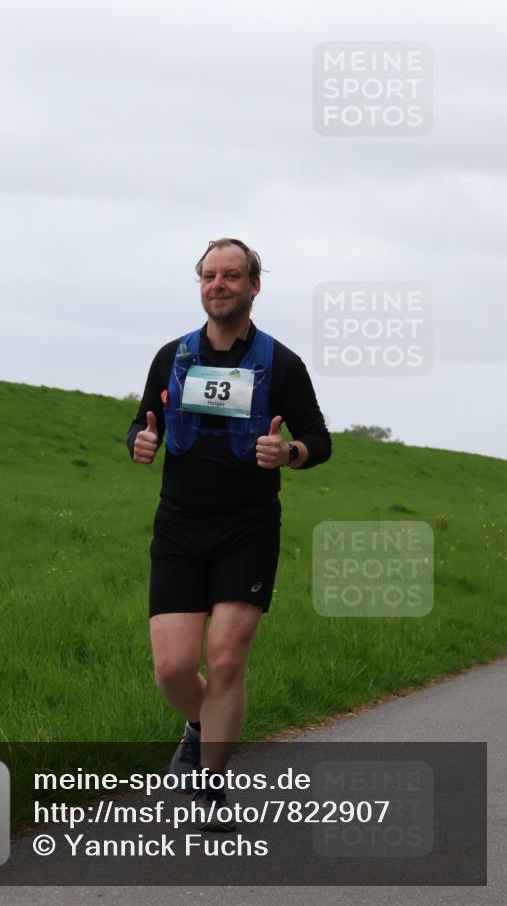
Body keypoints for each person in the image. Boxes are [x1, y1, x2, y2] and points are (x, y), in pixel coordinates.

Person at [125, 238, 331, 831]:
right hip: (179, 526)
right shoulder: (172, 356)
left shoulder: (282, 363)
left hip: (248, 528)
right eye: (209, 276)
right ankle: (199, 727)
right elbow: (141, 423)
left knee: (225, 658)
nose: (218, 284)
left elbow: (318, 440)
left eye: (232, 275)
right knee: (172, 668)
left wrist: (289, 452)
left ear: (254, 286)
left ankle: (211, 787)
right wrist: (140, 441)